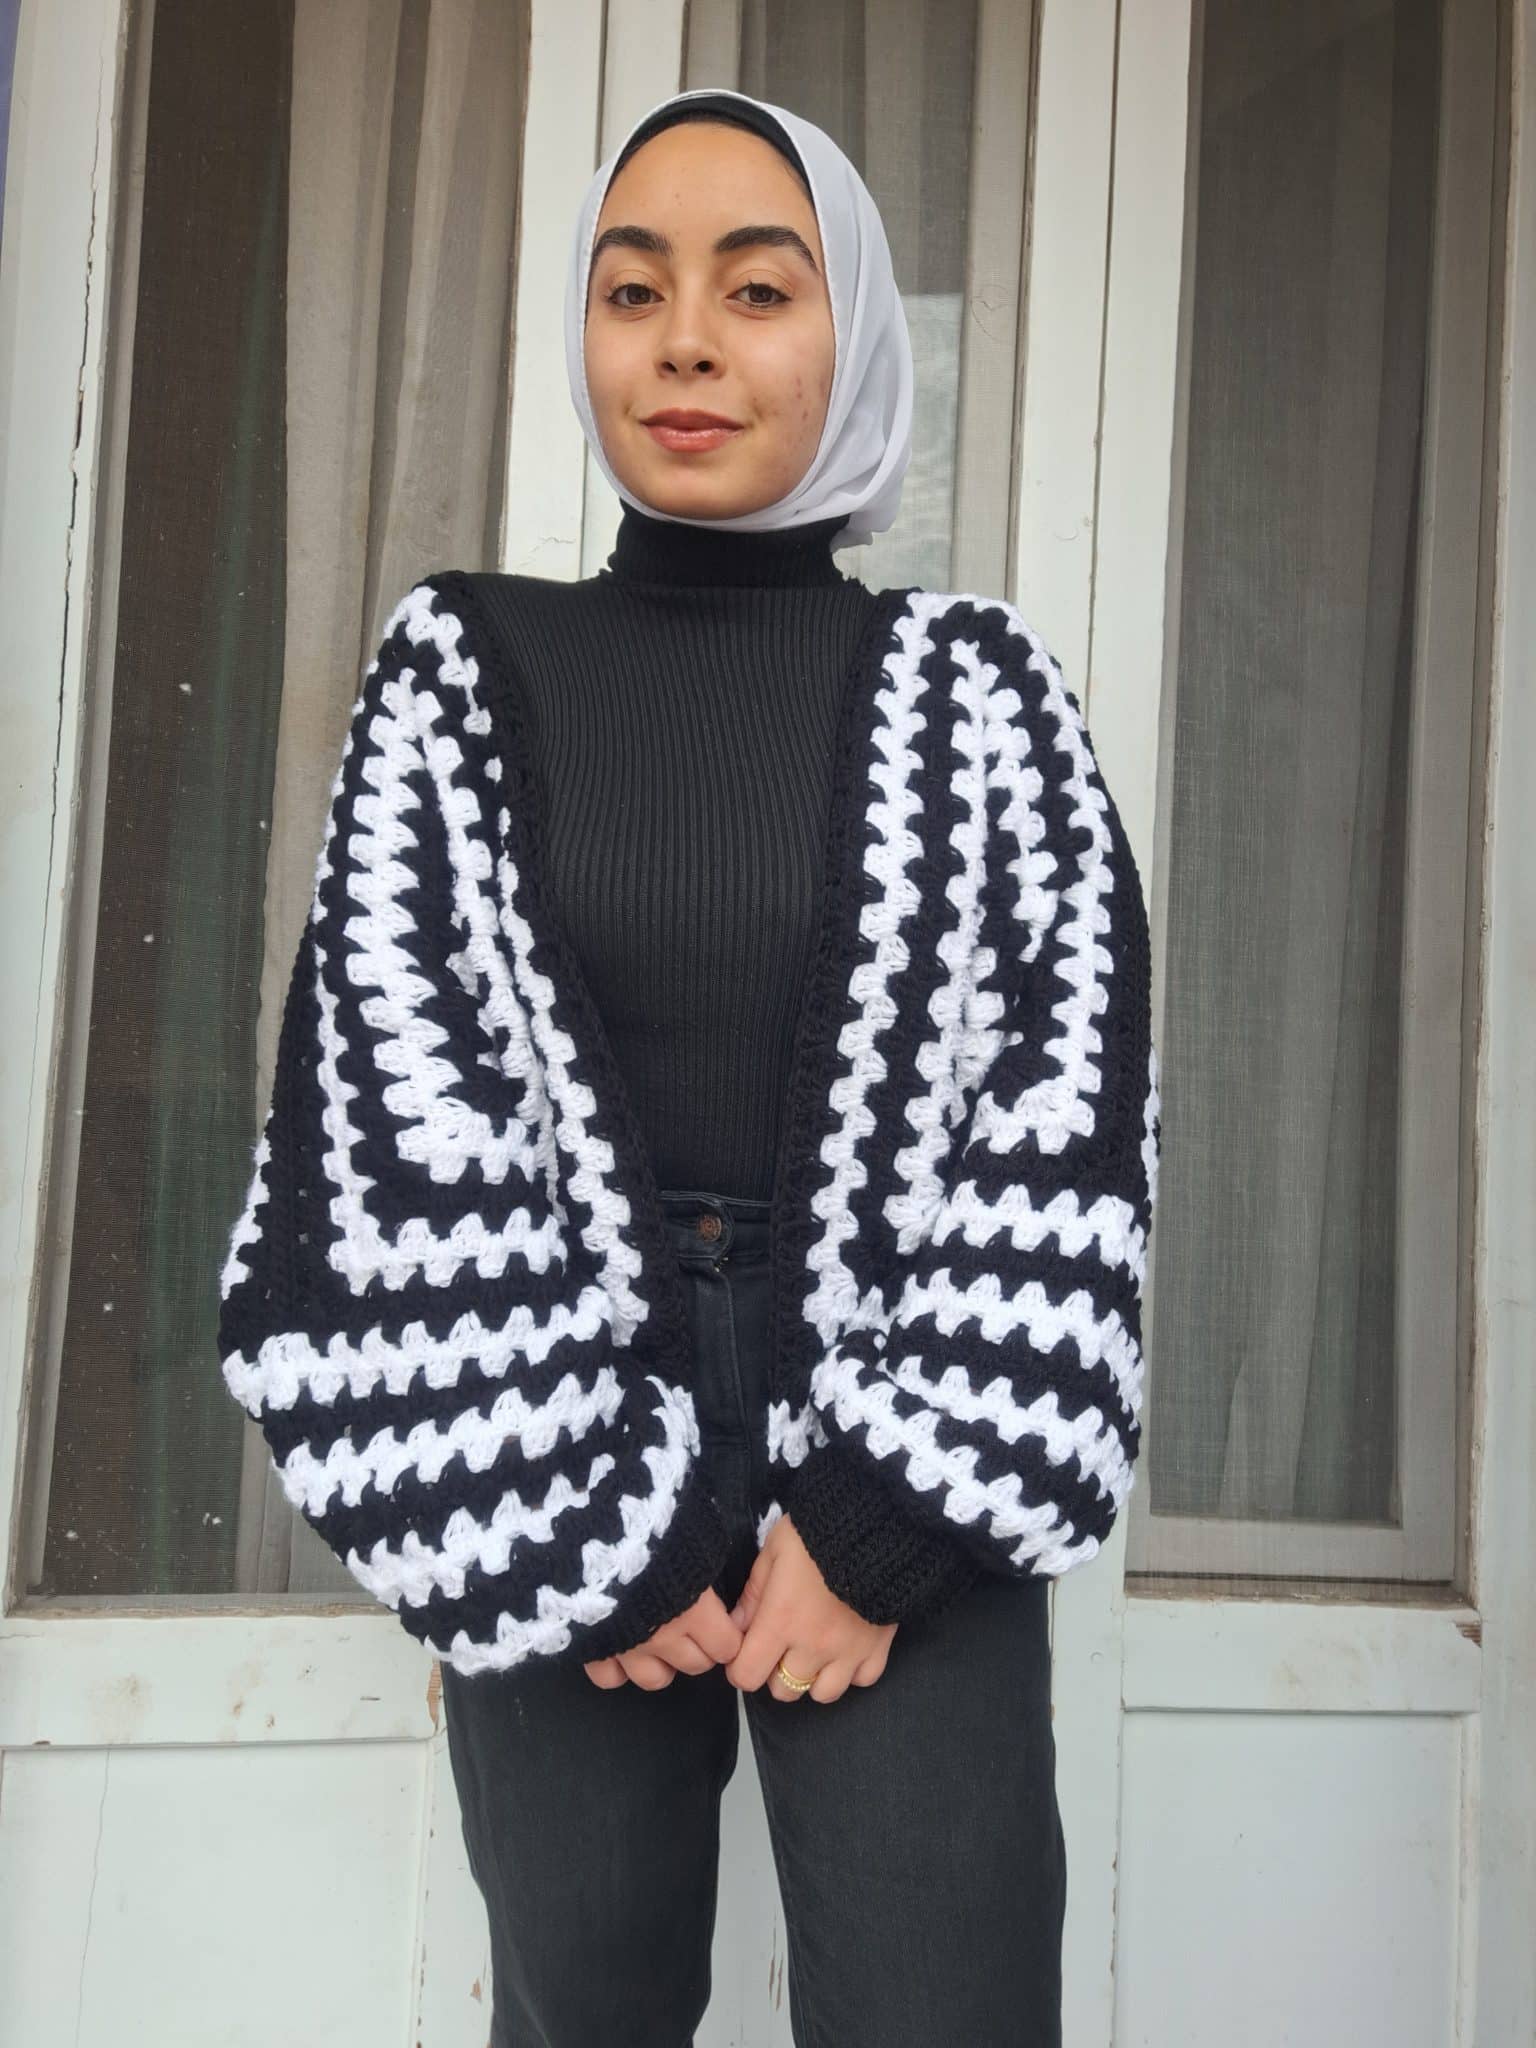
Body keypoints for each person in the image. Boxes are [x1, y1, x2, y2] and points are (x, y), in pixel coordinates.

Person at [217, 84, 1160, 2048]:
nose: (689, 344)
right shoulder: (458, 669)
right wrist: (576, 1512)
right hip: (543, 1385)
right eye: (633, 289)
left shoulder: (985, 694)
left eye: (760, 287)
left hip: (912, 1404)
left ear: (853, 331)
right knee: (584, 2007)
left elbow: (1065, 1121)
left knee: (948, 2008)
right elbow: (381, 1105)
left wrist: (885, 1517)